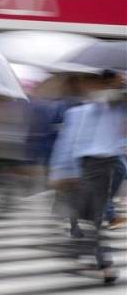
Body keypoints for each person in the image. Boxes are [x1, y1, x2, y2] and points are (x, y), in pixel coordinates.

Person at [50, 70, 125, 284]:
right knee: (94, 216)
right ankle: (104, 263)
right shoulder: (79, 112)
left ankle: (89, 252)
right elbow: (66, 143)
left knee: (94, 216)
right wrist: (61, 171)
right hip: (84, 166)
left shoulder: (118, 110)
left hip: (107, 168)